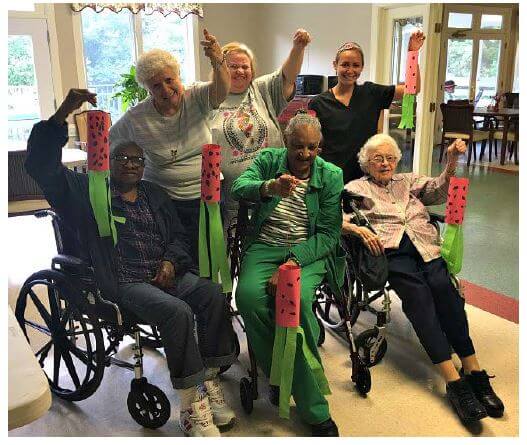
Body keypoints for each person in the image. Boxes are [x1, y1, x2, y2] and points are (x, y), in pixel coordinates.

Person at [25, 89, 238, 437]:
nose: (129, 164)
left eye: (136, 160)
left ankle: (209, 381)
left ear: (144, 166)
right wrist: (64, 110)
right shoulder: (86, 192)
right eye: (121, 158)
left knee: (212, 294)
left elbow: (179, 238)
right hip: (123, 281)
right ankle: (191, 406)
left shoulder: (154, 193)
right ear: (107, 159)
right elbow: (40, 166)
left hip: (164, 274)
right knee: (177, 312)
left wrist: (171, 259)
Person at [342, 133, 505, 423]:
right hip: (392, 252)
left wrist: (452, 162)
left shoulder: (407, 181)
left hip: (426, 245)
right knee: (419, 300)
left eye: (390, 158)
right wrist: (357, 230)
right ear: (366, 162)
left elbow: (439, 191)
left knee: (446, 291)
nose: (385, 163)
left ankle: (473, 367)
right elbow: (338, 217)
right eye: (378, 158)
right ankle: (454, 382)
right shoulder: (355, 187)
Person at [231, 112, 344, 436]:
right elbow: (240, 187)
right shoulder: (269, 159)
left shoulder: (331, 176)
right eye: (297, 146)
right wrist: (269, 187)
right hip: (264, 246)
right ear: (285, 141)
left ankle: (314, 409)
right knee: (250, 299)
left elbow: (328, 234)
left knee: (296, 307)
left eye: (312, 147)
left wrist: (292, 262)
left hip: (306, 252)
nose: (304, 155)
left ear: (319, 147)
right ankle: (280, 375)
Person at [109, 29, 230, 265]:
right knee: (176, 261)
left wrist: (218, 60)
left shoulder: (196, 97)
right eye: (156, 86)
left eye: (169, 80)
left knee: (212, 259)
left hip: (207, 197)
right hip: (163, 203)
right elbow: (109, 142)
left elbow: (221, 90)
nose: (165, 89)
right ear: (147, 89)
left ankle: (214, 300)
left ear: (177, 76)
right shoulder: (137, 117)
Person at [209, 29, 311, 229]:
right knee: (238, 249)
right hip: (233, 197)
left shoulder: (261, 89)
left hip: (277, 188)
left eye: (244, 66)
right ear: (220, 68)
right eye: (232, 66)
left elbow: (288, 76)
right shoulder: (209, 97)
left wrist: (299, 47)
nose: (240, 71)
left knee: (279, 239)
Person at [308, 30, 425, 183]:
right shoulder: (318, 103)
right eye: (345, 65)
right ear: (335, 65)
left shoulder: (372, 93)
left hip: (366, 180)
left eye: (356, 65)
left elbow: (412, 88)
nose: (350, 70)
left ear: (362, 67)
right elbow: (311, 144)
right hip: (331, 179)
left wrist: (413, 53)